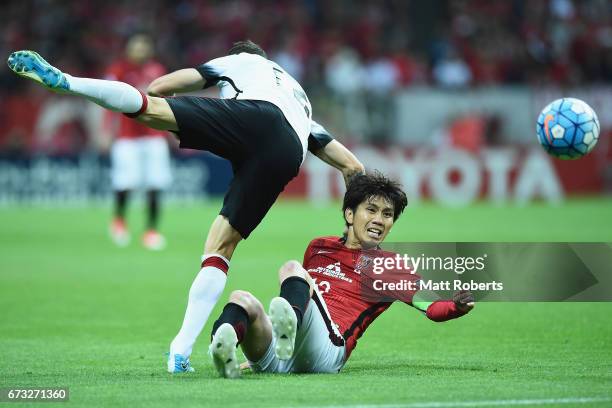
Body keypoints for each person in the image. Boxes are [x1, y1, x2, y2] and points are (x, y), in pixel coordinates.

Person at [7, 40, 365, 373]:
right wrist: (354, 234)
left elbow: (163, 85)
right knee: (221, 246)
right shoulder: (298, 96)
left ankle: (68, 82)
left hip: (256, 117)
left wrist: (171, 110)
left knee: (149, 110)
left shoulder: (241, 60)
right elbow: (353, 167)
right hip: (289, 151)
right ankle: (179, 352)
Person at [208, 172, 475, 378]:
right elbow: (304, 292)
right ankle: (226, 352)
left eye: (387, 214)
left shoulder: (387, 266)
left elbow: (432, 307)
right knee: (241, 299)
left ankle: (284, 339)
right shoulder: (319, 247)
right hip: (285, 352)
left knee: (291, 269)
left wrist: (456, 306)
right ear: (349, 214)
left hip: (328, 349)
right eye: (371, 210)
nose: (379, 220)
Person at [102, 34, 171, 250]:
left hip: (154, 136)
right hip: (127, 137)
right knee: (125, 183)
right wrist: (105, 130)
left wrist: (172, 130)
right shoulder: (118, 71)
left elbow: (168, 101)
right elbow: (105, 99)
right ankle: (119, 221)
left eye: (143, 46)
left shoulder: (157, 71)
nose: (140, 50)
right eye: (136, 46)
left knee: (156, 184)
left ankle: (151, 231)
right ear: (128, 49)